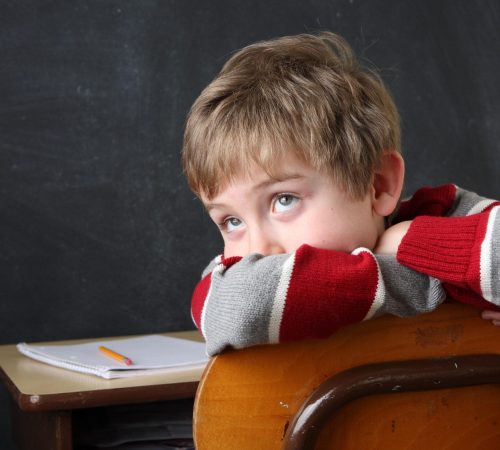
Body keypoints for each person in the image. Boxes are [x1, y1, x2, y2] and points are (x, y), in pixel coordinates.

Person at [182, 32, 500, 356]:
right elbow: (234, 307)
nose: (258, 250)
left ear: (378, 185)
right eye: (232, 221)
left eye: (284, 200)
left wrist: (415, 241)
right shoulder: (233, 274)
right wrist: (414, 277)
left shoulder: (447, 215)